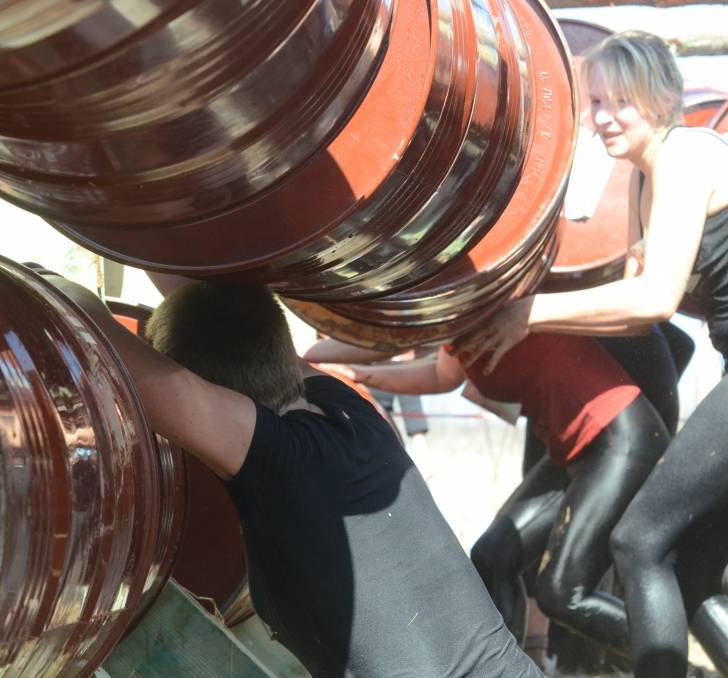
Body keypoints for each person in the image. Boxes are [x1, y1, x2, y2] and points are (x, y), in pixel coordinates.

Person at [48, 277, 542, 677]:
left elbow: (133, 371)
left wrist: (53, 287)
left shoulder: (280, 462)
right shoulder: (348, 410)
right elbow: (233, 326)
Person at [454, 30, 728, 678]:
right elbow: (635, 317)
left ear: (660, 97)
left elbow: (654, 299)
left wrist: (529, 313)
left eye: (618, 102)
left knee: (639, 544)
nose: (601, 118)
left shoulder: (687, 154)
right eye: (595, 102)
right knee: (687, 579)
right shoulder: (643, 182)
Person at [306, 333, 668, 655]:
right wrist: (358, 374)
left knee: (562, 593)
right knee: (493, 558)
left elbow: (385, 339)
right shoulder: (456, 331)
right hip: (571, 450)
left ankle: (677, 664)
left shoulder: (488, 304)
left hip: (619, 439)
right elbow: (441, 376)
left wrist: (304, 354)